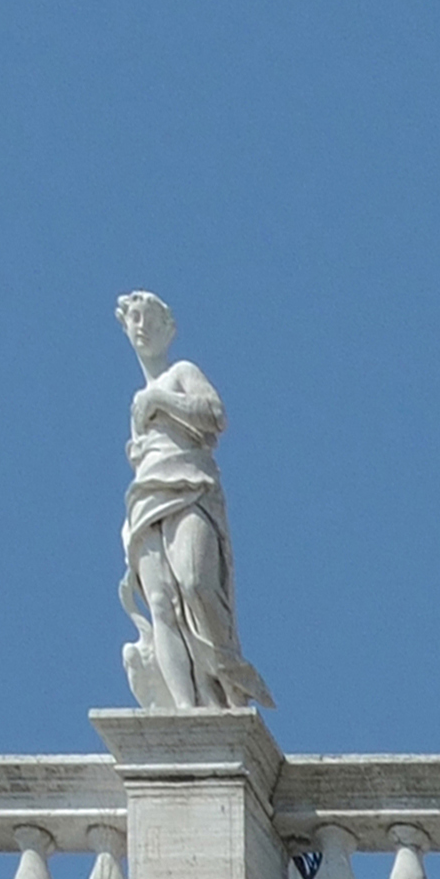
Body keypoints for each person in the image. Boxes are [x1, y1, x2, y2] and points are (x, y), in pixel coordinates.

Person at [112, 289, 264, 713]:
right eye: (134, 319)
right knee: (160, 601)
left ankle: (227, 678)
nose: (140, 327)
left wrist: (160, 399)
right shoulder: (135, 402)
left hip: (190, 487)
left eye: (149, 318)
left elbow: (214, 415)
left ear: (168, 328)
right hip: (146, 496)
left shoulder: (180, 372)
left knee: (197, 583)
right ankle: (185, 710)